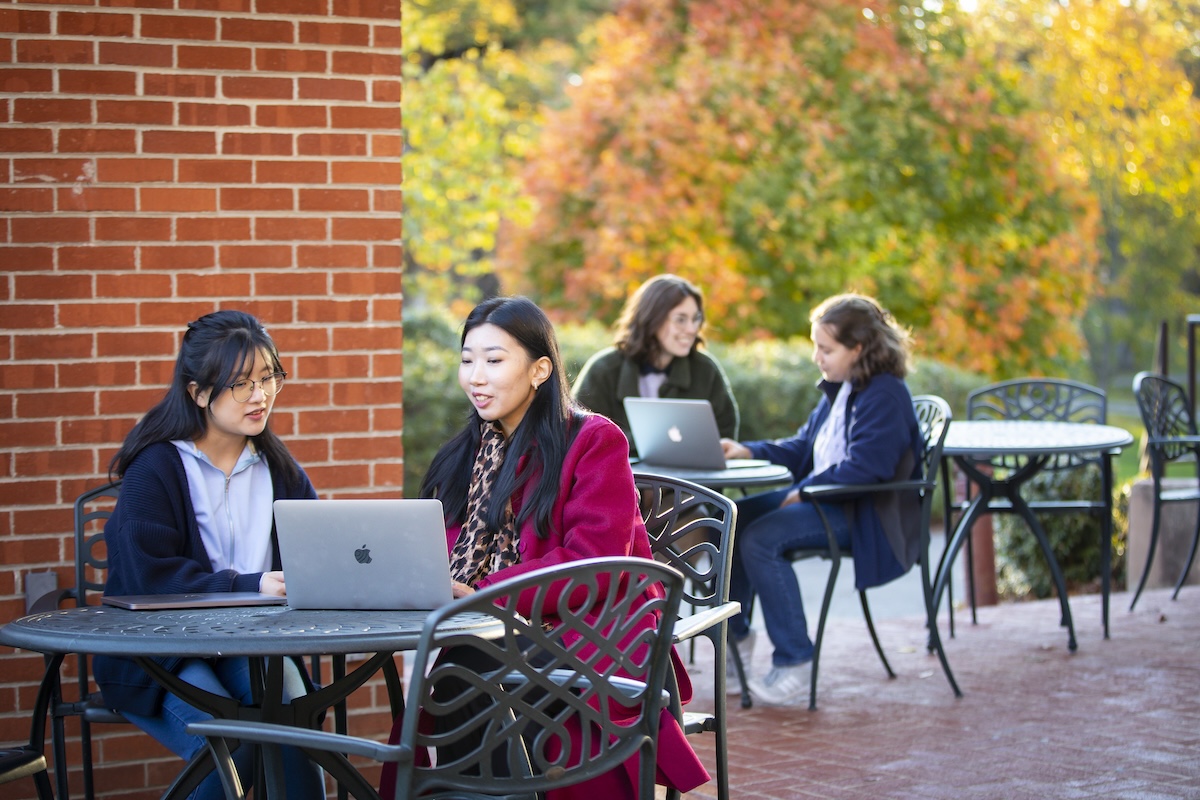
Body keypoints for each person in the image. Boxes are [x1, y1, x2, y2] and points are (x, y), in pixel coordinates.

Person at [379, 295, 709, 800]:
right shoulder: (466, 453)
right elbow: (443, 546)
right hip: (492, 626)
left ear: (539, 370)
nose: (475, 377)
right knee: (459, 669)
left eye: (494, 360)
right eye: (467, 360)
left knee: (461, 671)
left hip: (592, 626)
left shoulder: (593, 440)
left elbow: (596, 564)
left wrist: (482, 591)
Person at [94, 310, 325, 800]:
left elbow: (319, 558)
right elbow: (149, 579)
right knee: (228, 746)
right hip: (161, 649)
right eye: (241, 384)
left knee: (298, 726)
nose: (260, 396)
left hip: (250, 645)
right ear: (199, 393)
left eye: (268, 378)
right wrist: (249, 584)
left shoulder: (279, 470)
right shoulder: (156, 468)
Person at [720, 293, 925, 706]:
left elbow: (869, 467)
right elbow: (804, 447)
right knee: (734, 519)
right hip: (827, 499)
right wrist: (748, 450)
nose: (817, 357)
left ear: (858, 349)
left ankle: (796, 659)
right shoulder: (843, 388)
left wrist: (804, 490)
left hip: (864, 513)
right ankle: (736, 639)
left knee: (761, 539)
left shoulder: (884, 394)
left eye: (826, 349)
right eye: (816, 346)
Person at [573, 274, 739, 453]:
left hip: (689, 472)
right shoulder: (603, 370)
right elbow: (577, 435)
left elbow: (725, 439)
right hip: (617, 472)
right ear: (652, 319)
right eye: (681, 319)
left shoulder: (706, 370)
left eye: (695, 319)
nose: (692, 329)